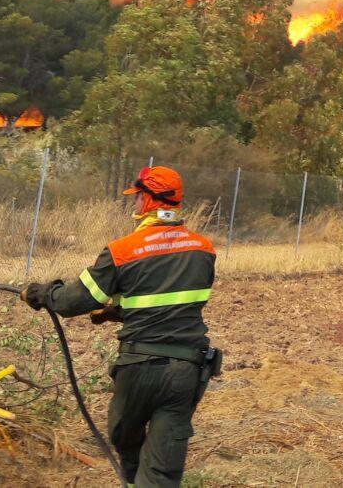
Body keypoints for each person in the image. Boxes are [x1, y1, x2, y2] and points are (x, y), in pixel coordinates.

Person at [21, 166, 219, 488]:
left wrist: (41, 293)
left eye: (138, 197)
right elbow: (174, 303)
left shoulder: (123, 251)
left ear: (149, 201)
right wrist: (117, 312)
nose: (135, 203)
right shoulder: (203, 250)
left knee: (124, 436)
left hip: (139, 367)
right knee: (162, 469)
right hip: (186, 368)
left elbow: (74, 301)